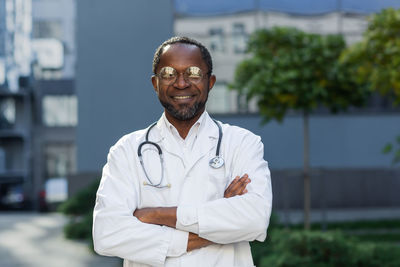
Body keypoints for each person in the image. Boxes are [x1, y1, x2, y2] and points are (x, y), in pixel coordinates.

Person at [93, 36, 273, 267]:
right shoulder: (127, 150)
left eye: (194, 73)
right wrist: (218, 218)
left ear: (210, 82)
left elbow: (255, 220)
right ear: (155, 83)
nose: (181, 83)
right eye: (168, 74)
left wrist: (157, 215)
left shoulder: (242, 143)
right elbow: (107, 235)